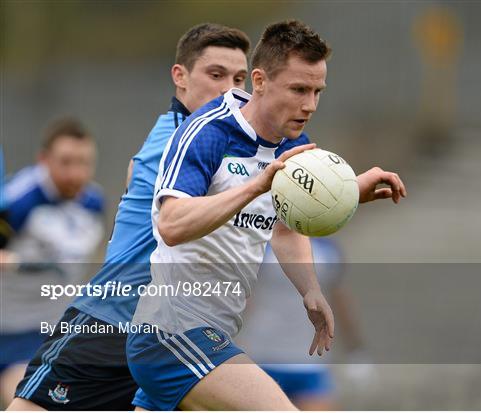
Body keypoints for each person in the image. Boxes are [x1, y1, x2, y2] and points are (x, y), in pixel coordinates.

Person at [126, 19, 406, 411]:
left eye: (317, 91)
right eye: (298, 89)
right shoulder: (209, 131)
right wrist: (257, 186)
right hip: (173, 333)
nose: (309, 104)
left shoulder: (295, 147)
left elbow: (287, 227)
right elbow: (171, 225)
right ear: (258, 81)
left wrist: (309, 289)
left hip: (213, 332)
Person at [8, 23, 251, 411]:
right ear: (180, 77)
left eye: (239, 79)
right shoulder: (178, 139)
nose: (229, 91)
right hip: (108, 323)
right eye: (216, 74)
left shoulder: (213, 147)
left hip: (165, 335)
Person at [0, 118, 104, 407]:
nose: (76, 173)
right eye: (66, 162)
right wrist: (14, 261)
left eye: (84, 162)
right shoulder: (18, 201)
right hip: (10, 329)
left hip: (54, 328)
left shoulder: (94, 202)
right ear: (43, 160)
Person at [239, 237, 364, 410]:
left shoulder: (327, 249)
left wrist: (355, 351)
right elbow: (245, 299)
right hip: (263, 358)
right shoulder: (262, 244)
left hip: (309, 362)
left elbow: (340, 301)